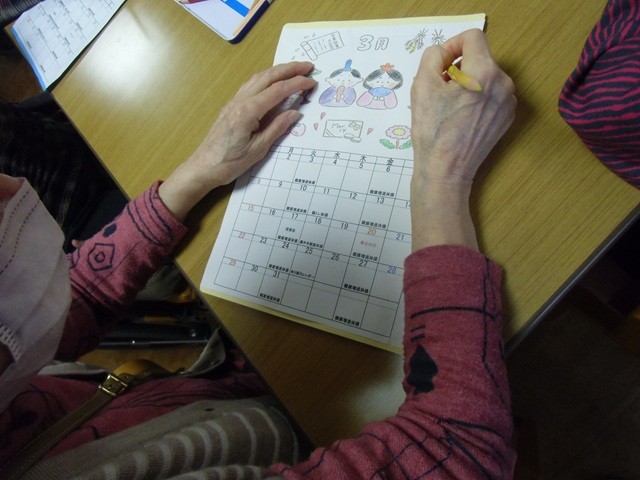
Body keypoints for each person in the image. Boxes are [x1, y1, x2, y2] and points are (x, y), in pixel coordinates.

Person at [0, 28, 517, 479]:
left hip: (214, 386)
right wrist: (442, 175)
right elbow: (455, 450)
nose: (7, 184)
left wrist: (198, 171)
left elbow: (59, 309)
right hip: (310, 421)